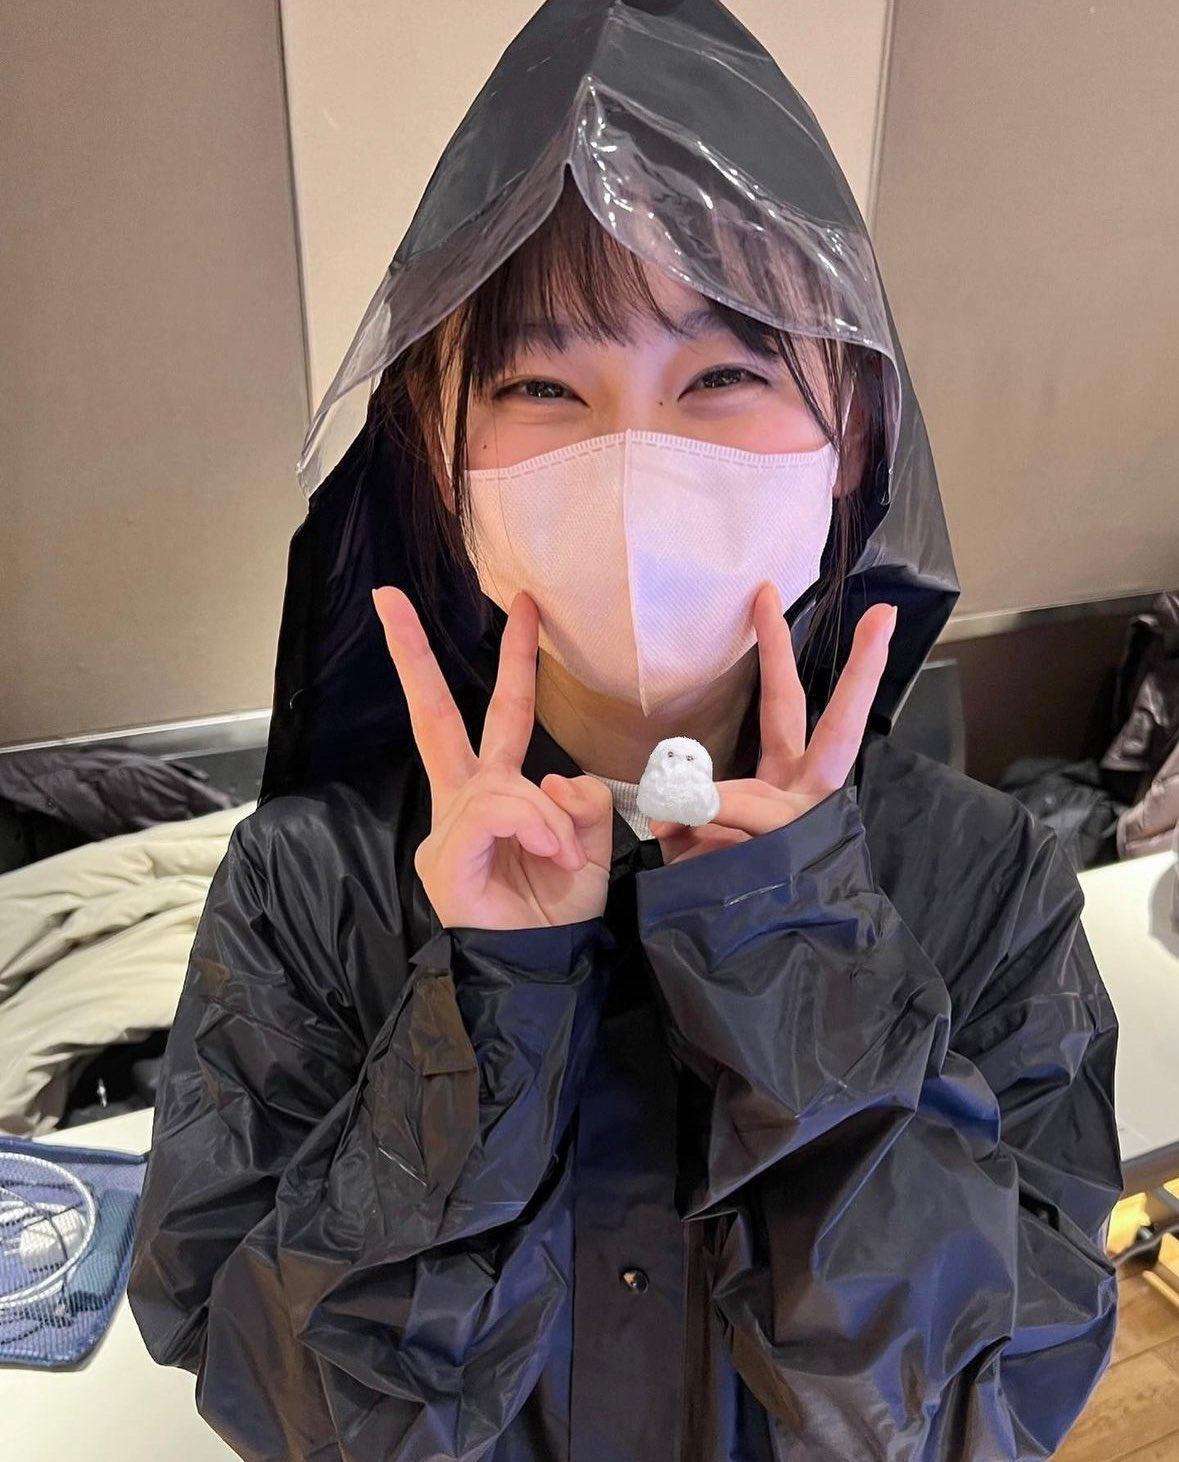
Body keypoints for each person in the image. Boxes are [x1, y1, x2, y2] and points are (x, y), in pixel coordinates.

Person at [126, 2, 1124, 1458]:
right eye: (542, 386)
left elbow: (980, 1407)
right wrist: (488, 1006)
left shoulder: (983, 880)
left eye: (724, 376)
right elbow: (279, 1399)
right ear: (440, 453)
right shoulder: (310, 885)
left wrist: (795, 967)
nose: (632, 456)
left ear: (854, 430)